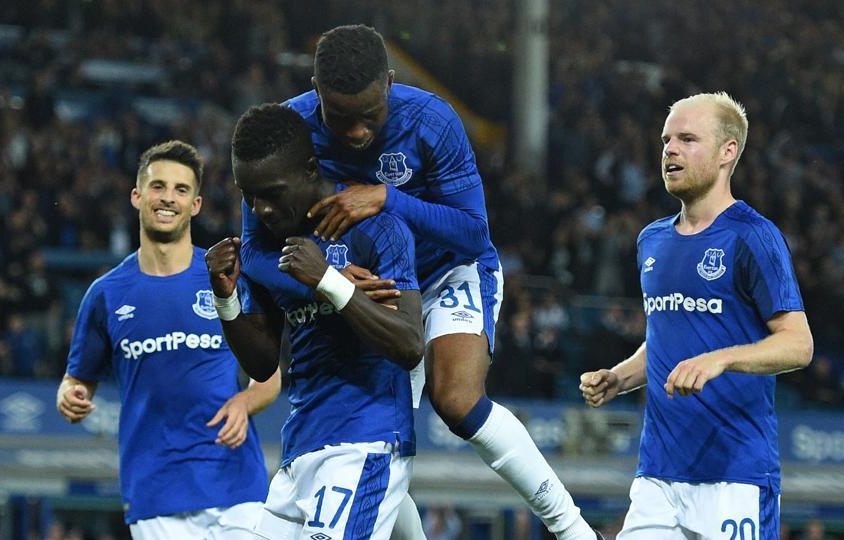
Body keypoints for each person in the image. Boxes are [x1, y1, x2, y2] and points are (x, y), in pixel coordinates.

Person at [239, 24, 598, 540]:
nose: (359, 132)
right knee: (383, 432)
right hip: (368, 285)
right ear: (317, 94)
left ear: (389, 83)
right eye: (343, 118)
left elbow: (475, 234)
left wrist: (388, 198)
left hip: (445, 268)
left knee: (454, 399)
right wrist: (331, 283)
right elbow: (255, 248)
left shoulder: (431, 120)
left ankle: (573, 530)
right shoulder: (289, 132)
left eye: (370, 115)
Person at [579, 92, 813, 539]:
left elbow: (798, 344)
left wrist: (720, 358)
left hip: (735, 475)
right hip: (657, 475)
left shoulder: (754, 237)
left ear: (728, 152)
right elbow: (669, 334)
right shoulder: (651, 240)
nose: (670, 149)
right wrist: (620, 376)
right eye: (667, 140)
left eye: (688, 139)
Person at [207, 103, 424, 540]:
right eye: (250, 196)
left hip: (365, 439)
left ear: (309, 169)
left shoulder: (378, 230)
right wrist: (225, 298)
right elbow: (263, 364)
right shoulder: (269, 251)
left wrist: (326, 279)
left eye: (272, 192)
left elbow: (409, 344)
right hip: (300, 447)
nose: (261, 209)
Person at [55, 140, 281, 539]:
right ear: (137, 195)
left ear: (195, 205)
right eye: (158, 186)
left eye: (181, 190)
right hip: (155, 492)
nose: (168, 198)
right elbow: (78, 380)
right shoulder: (106, 294)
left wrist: (245, 402)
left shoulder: (226, 279)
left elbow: (270, 374)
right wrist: (68, 394)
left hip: (234, 484)